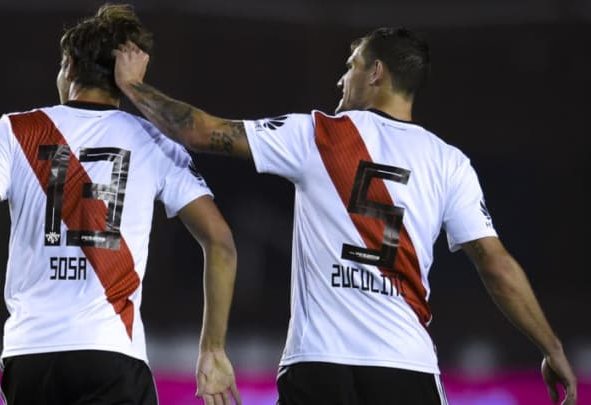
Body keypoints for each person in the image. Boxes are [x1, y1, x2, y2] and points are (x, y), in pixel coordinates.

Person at [112, 27, 578, 405]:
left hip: (318, 369)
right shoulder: (448, 162)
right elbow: (495, 265)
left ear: (376, 72)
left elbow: (199, 131)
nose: (341, 80)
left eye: (350, 66)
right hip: (404, 370)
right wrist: (551, 346)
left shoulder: (316, 133)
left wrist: (132, 85)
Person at [0, 4, 242, 405]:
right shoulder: (153, 141)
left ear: (69, 66)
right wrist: (212, 348)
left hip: (31, 359)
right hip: (110, 356)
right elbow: (221, 243)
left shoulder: (18, 129)